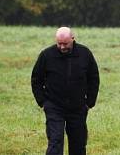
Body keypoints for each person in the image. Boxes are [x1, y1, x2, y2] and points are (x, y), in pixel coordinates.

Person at [31, 27, 100, 155]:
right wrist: (43, 102)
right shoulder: (47, 55)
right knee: (55, 141)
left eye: (65, 44)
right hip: (54, 106)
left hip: (78, 107)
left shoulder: (85, 54)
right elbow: (36, 79)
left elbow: (94, 78)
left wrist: (89, 102)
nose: (62, 47)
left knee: (78, 144)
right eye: (59, 43)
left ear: (73, 39)